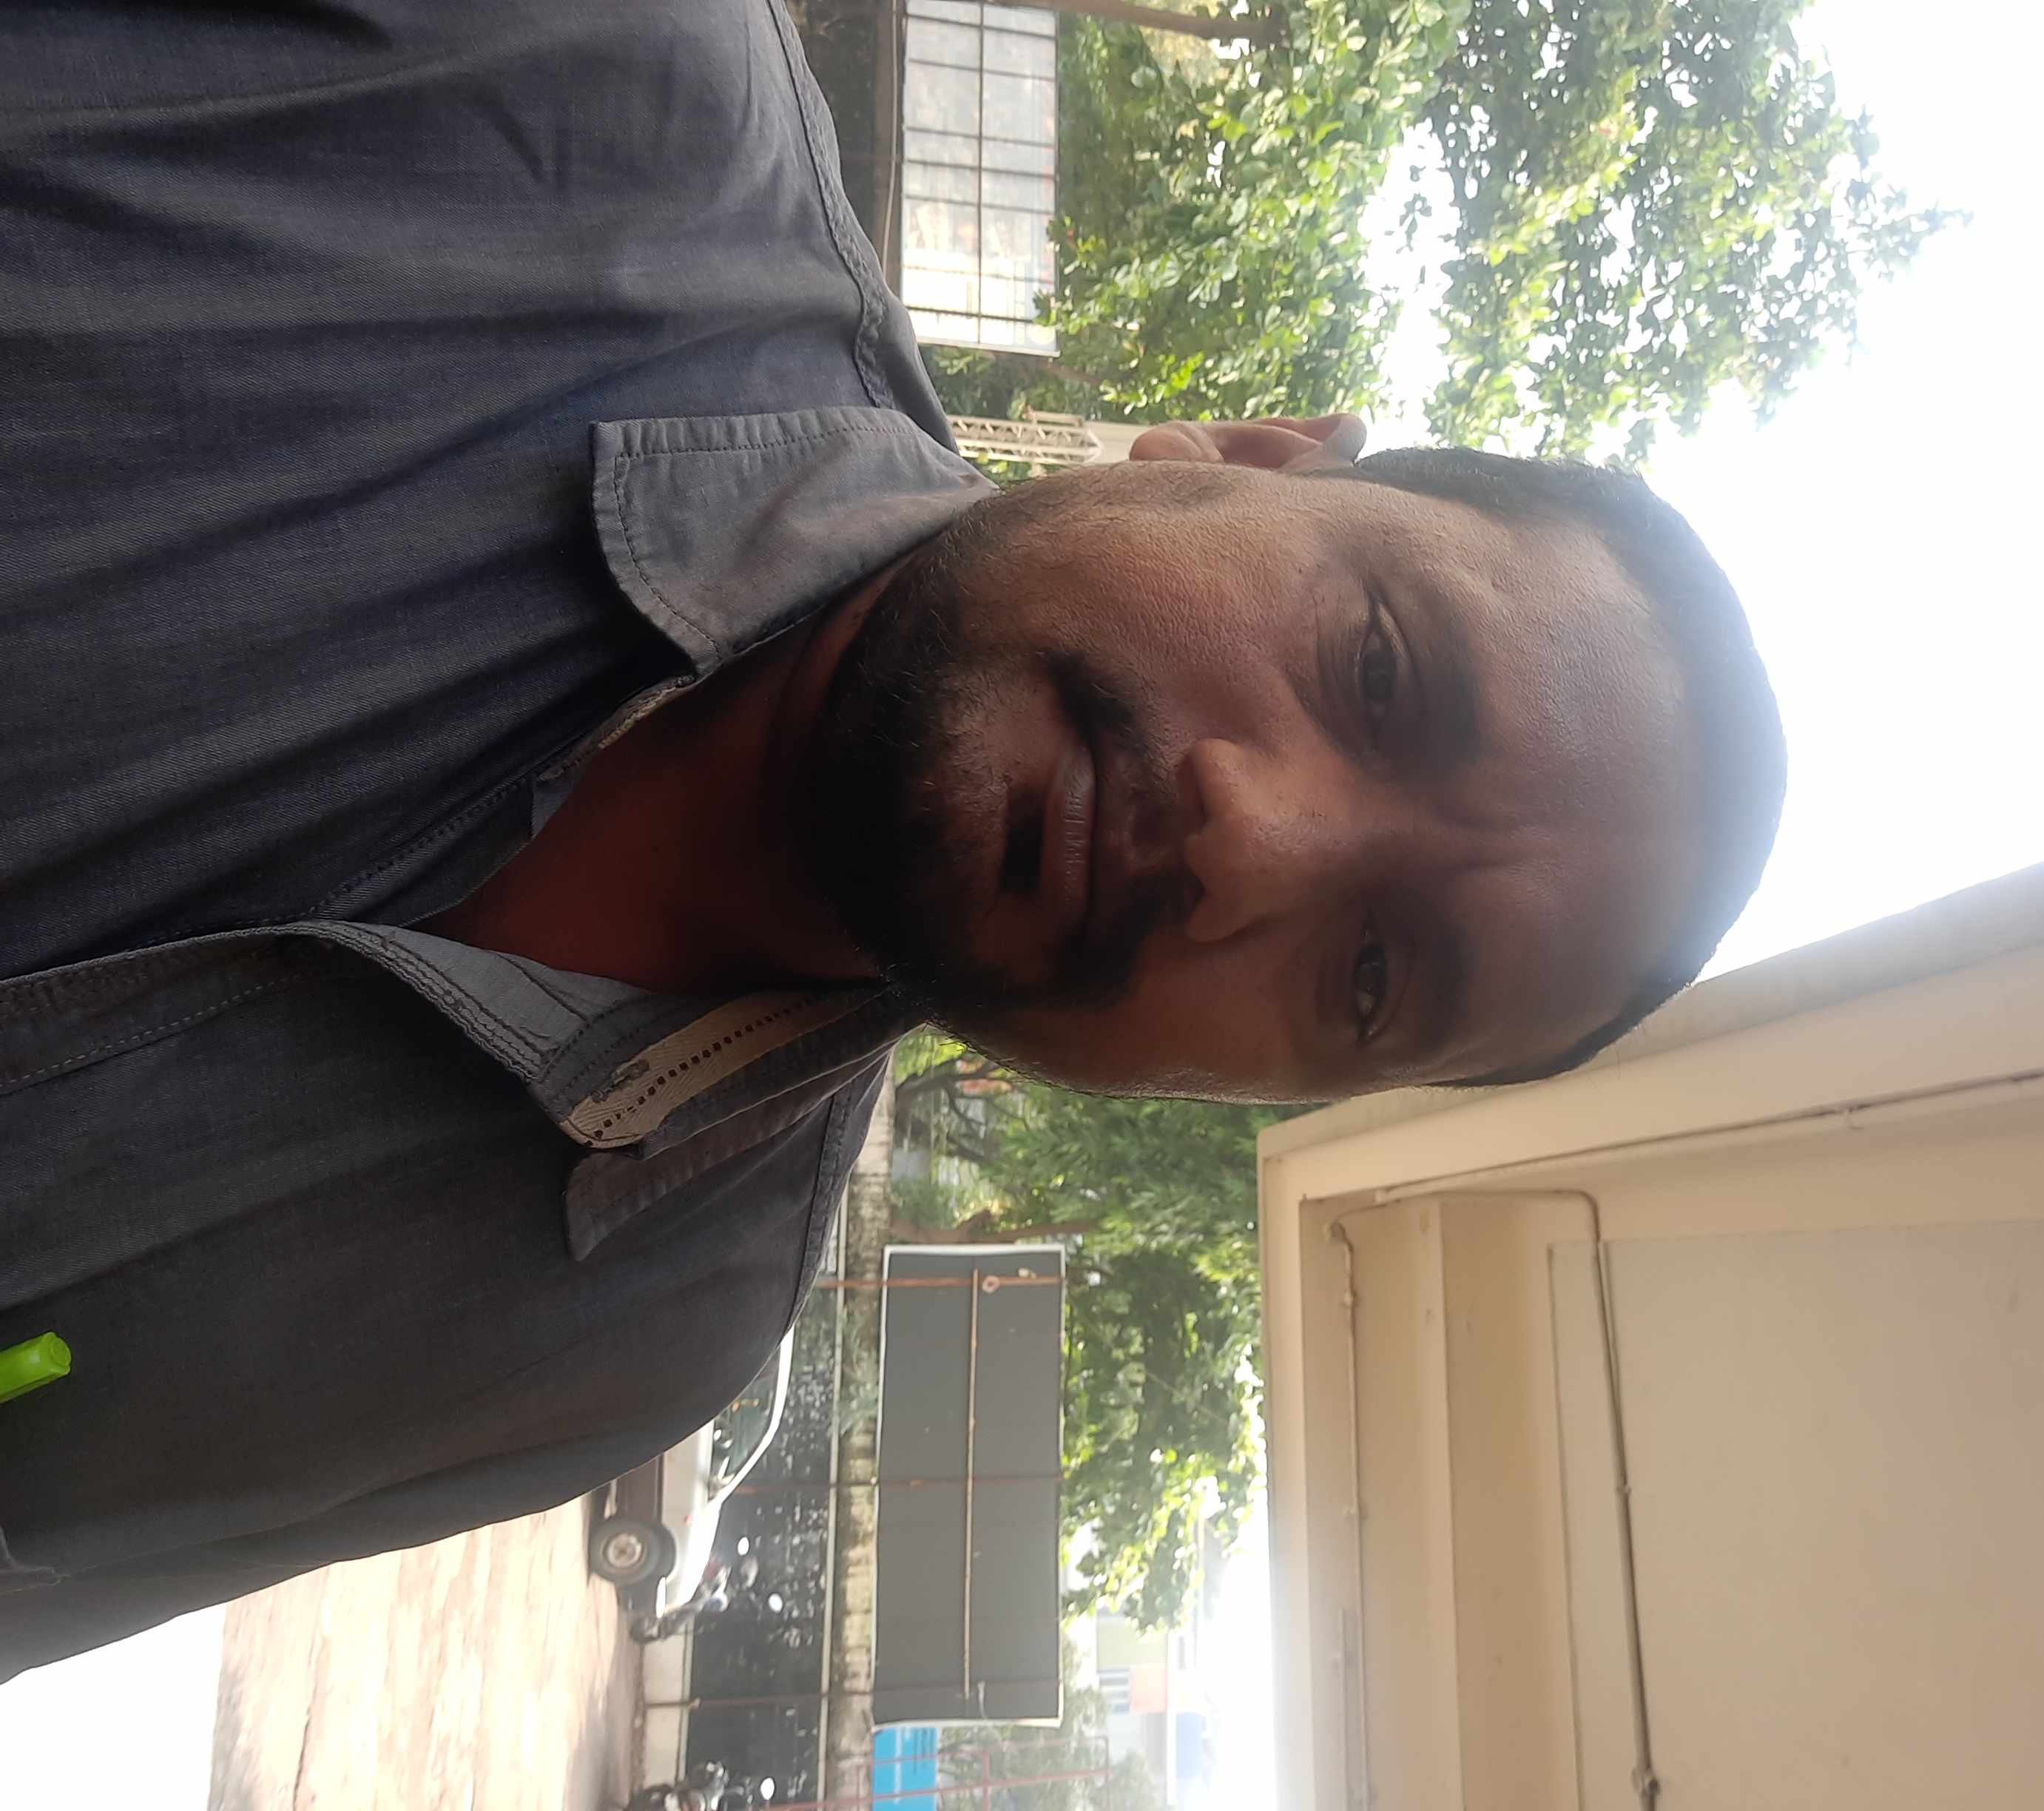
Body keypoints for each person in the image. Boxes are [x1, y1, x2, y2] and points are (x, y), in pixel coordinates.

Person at [0, 0, 1784, 1676]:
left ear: (1248, 1096)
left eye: (1375, 972)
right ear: (1246, 453)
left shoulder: (635, 1334)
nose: (1251, 844)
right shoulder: (569, 75)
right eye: (1378, 669)